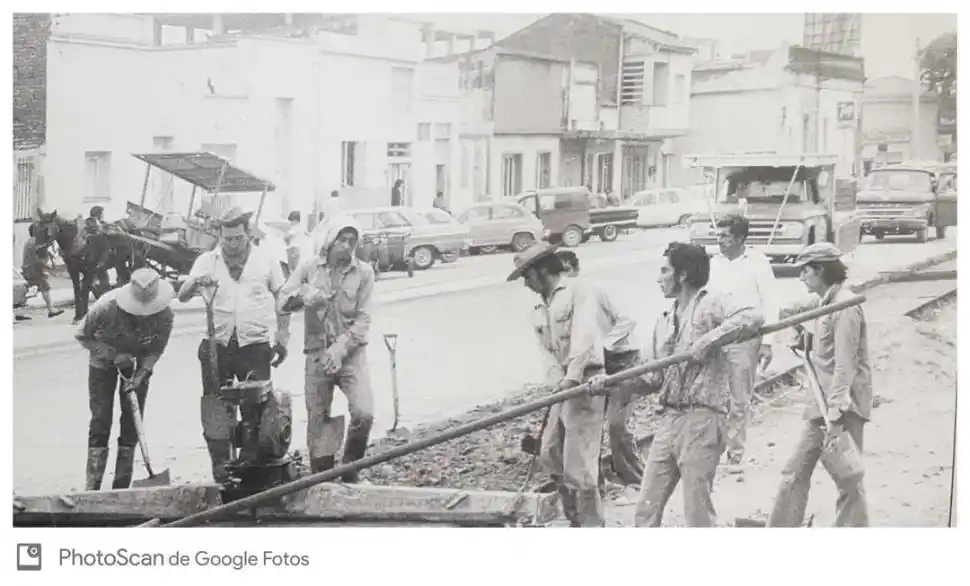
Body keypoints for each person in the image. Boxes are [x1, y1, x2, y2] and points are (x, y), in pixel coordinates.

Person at [592, 242, 763, 527]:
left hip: (703, 419)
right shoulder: (664, 320)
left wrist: (709, 340)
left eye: (664, 271)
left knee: (697, 511)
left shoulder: (712, 302)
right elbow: (654, 377)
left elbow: (752, 316)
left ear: (682, 275)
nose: (659, 279)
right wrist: (610, 384)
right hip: (669, 420)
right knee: (646, 509)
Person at [178, 207, 291, 483]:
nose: (232, 245)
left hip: (254, 345)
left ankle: (252, 469)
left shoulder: (266, 260)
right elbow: (182, 295)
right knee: (216, 409)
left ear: (248, 234)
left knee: (256, 409)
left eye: (237, 238)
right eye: (226, 239)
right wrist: (196, 283)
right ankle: (222, 470)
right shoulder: (207, 261)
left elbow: (284, 298)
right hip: (217, 345)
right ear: (220, 236)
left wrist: (282, 336)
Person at [767, 243, 871, 527]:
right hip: (821, 404)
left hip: (841, 407)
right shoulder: (827, 302)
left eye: (805, 271)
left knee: (848, 477)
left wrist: (836, 411)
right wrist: (806, 343)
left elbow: (846, 363)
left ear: (821, 269)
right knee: (796, 472)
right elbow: (829, 351)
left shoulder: (845, 306)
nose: (801, 277)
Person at [509, 243, 606, 527]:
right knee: (549, 453)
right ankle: (573, 515)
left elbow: (584, 338)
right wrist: (557, 384)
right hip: (562, 386)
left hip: (585, 381)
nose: (526, 284)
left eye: (527, 277)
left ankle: (591, 526)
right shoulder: (538, 310)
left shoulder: (578, 291)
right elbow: (547, 353)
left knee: (580, 464)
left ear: (542, 271)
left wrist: (572, 377)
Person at [280, 214, 376, 482]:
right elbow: (282, 301)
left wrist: (340, 348)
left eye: (352, 241)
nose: (347, 246)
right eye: (342, 240)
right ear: (330, 241)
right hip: (316, 353)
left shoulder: (364, 273)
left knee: (364, 412)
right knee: (318, 419)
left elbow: (364, 319)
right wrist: (303, 296)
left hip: (351, 353)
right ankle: (321, 478)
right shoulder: (309, 268)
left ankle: (350, 470)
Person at [75, 268, 175, 490]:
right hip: (102, 362)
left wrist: (142, 373)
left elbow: (156, 349)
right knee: (101, 419)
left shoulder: (165, 315)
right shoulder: (106, 307)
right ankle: (93, 485)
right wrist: (111, 355)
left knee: (131, 420)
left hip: (137, 364)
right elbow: (81, 335)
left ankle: (121, 485)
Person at [556, 249, 643, 485]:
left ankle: (633, 476)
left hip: (621, 358)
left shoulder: (594, 290)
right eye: (558, 274)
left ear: (575, 269)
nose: (563, 278)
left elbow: (627, 319)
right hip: (593, 365)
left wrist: (605, 344)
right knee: (587, 425)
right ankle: (595, 481)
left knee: (616, 424)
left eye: (566, 271)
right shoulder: (561, 302)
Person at [707, 214, 779, 470]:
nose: (720, 240)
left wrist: (768, 342)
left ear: (740, 238)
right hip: (716, 339)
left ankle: (735, 454)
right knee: (714, 398)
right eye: (718, 235)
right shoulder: (713, 264)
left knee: (738, 399)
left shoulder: (758, 263)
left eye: (725, 236)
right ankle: (712, 452)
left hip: (745, 340)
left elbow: (770, 302)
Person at [22, 224, 65, 318]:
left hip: (28, 268)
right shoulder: (36, 242)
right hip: (35, 268)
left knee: (28, 288)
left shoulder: (30, 241)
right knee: (45, 287)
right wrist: (48, 267)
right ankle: (51, 310)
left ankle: (18, 311)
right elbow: (38, 259)